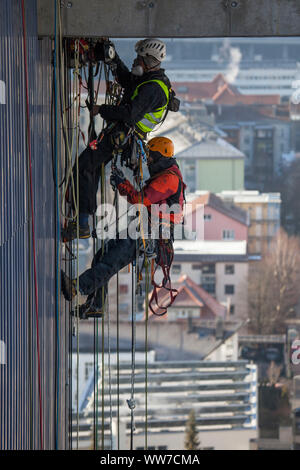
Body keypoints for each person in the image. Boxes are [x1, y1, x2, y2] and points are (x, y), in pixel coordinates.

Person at [63, 38, 179, 242]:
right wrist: (112, 59)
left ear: (148, 61)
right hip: (122, 134)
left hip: (123, 135)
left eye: (139, 58)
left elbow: (130, 114)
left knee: (85, 167)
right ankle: (80, 219)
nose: (136, 61)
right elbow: (128, 81)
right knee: (90, 168)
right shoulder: (152, 80)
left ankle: (81, 222)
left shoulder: (154, 89)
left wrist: (101, 110)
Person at [61, 136, 186, 318]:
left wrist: (122, 183)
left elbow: (140, 200)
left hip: (148, 234)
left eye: (151, 156)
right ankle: (95, 305)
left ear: (160, 157)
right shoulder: (166, 175)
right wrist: (122, 184)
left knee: (110, 262)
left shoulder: (169, 179)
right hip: (144, 229)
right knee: (102, 256)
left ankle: (76, 287)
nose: (148, 160)